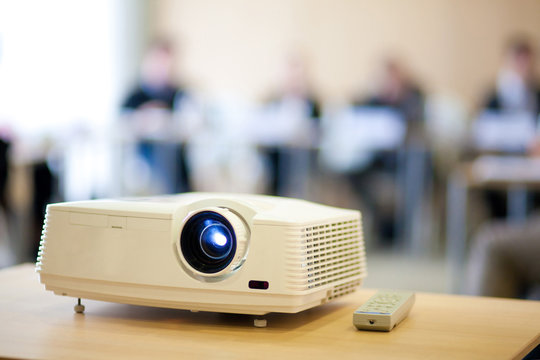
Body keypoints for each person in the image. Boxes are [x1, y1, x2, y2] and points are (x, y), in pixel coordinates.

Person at [122, 39, 191, 194]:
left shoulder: (180, 94)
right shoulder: (135, 95)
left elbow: (190, 124)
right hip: (141, 166)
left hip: (175, 170)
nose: (162, 67)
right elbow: (122, 125)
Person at [260, 55, 321, 196]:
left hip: (305, 153)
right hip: (277, 153)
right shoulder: (272, 98)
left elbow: (318, 128)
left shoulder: (312, 101)